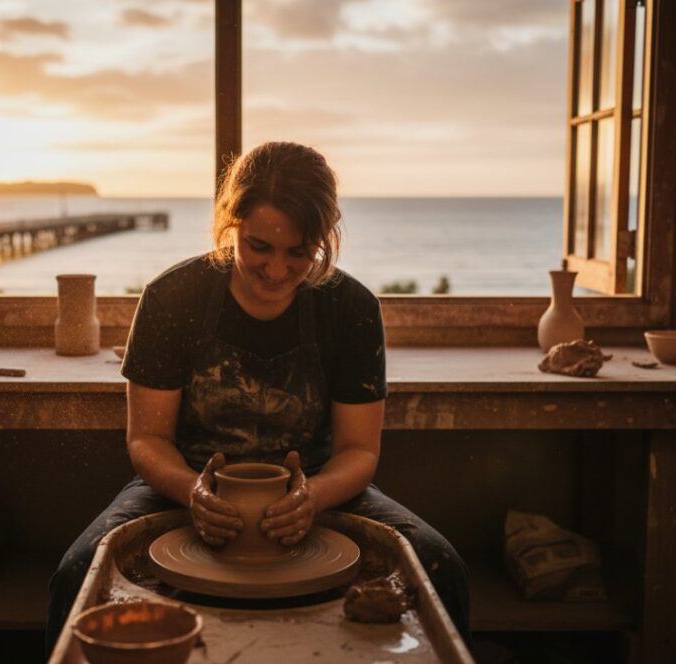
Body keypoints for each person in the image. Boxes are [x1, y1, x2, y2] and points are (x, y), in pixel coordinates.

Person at [46, 141, 471, 652]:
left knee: (440, 566)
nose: (276, 270)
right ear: (232, 224)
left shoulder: (349, 307)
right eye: (259, 247)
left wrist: (312, 496)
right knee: (76, 575)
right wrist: (193, 492)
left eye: (298, 252)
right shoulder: (173, 298)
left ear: (324, 237)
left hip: (317, 489)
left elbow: (359, 452)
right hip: (185, 486)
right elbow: (148, 440)